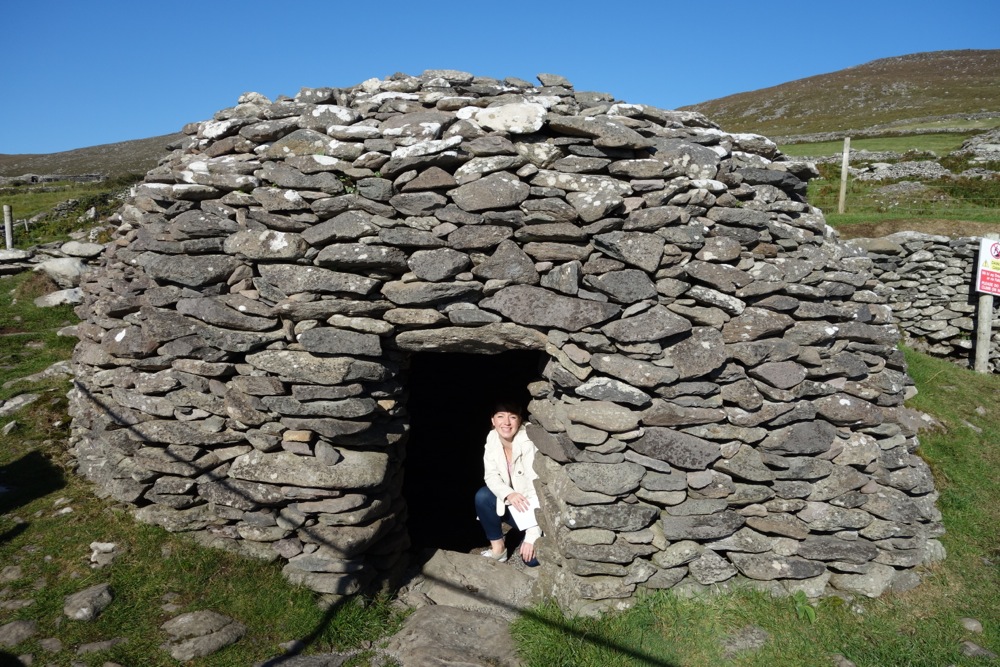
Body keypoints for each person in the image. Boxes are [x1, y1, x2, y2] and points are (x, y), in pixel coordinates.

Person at [474, 402, 541, 566]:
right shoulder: (492, 438)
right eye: (500, 416)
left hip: (533, 508)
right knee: (483, 496)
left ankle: (528, 533)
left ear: (519, 420)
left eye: (512, 417)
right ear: (493, 420)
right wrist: (508, 493)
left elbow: (537, 489)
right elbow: (491, 476)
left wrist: (532, 536)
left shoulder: (528, 442)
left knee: (532, 561)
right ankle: (498, 549)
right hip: (515, 504)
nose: (506, 423)